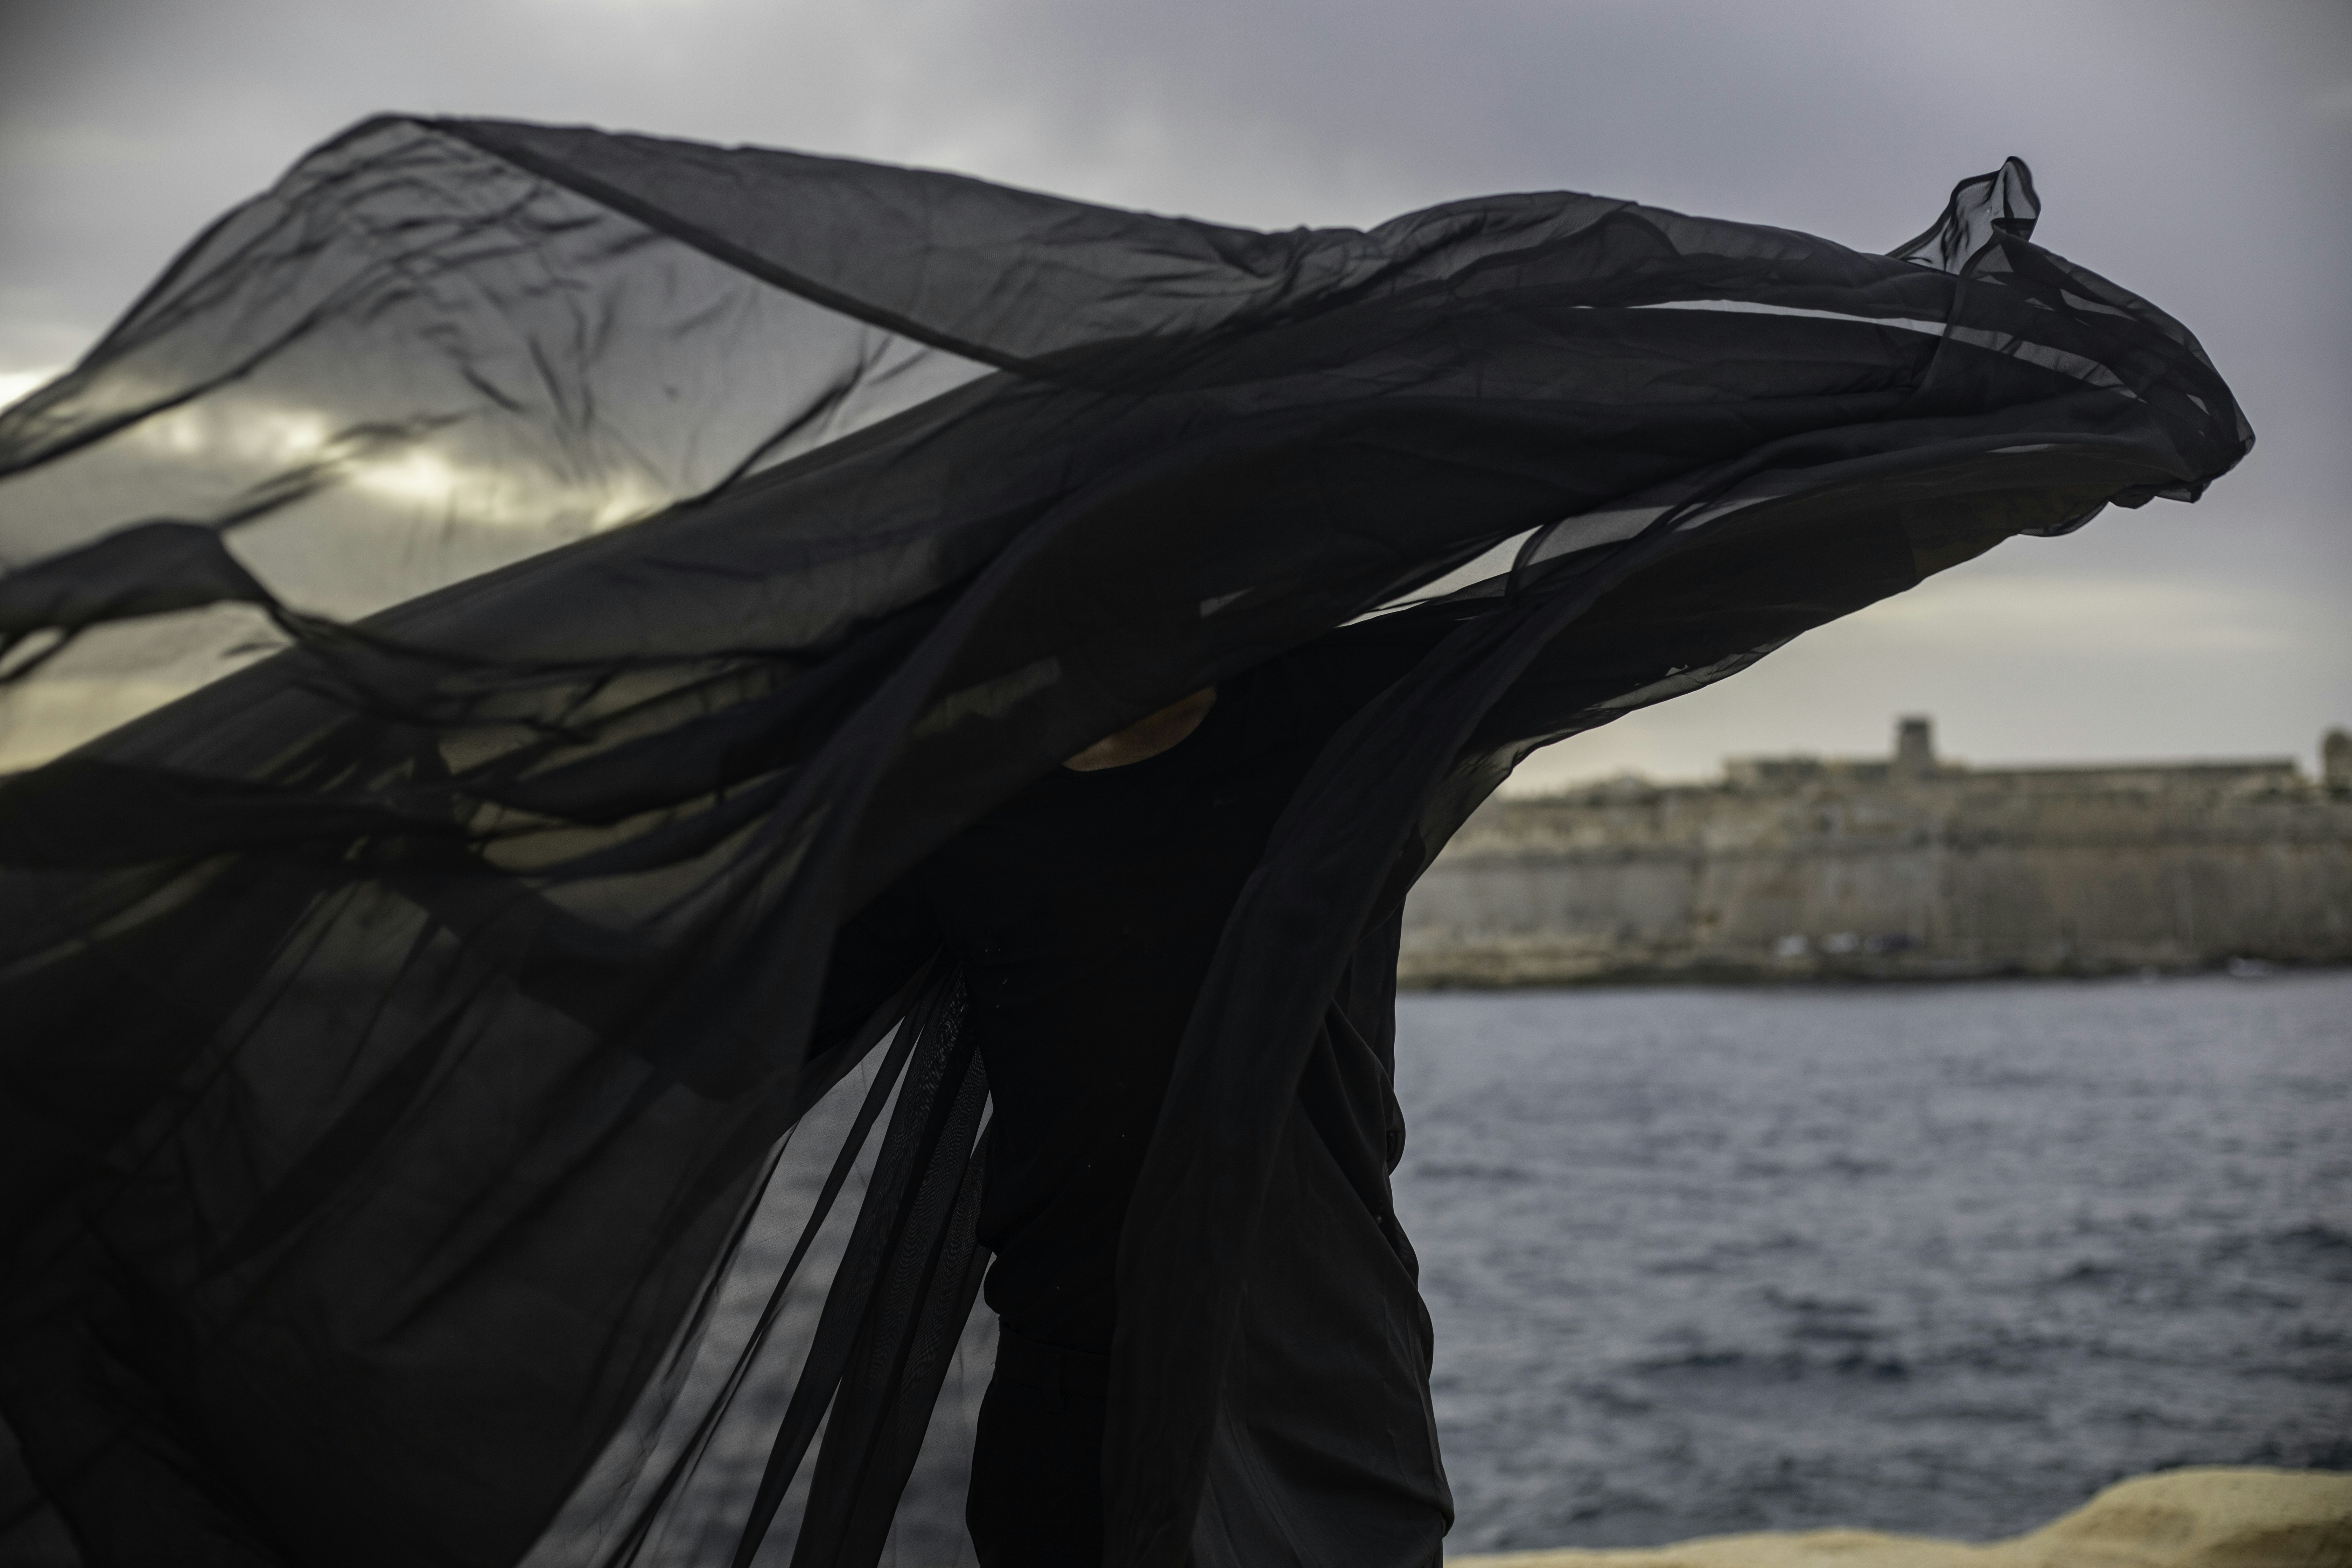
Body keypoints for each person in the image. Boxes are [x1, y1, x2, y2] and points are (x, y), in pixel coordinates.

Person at [0, 119, 2248, 1568]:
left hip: (1321, 1429)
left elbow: (1692, 558)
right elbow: (607, 959)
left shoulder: (1317, 717)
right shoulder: (940, 796)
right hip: (1103, 1470)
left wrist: (2048, 425)